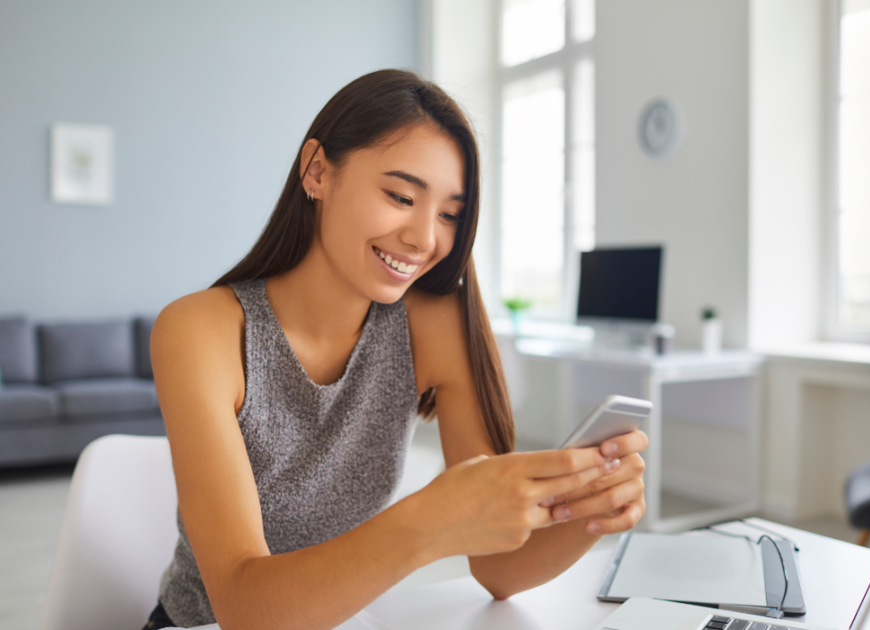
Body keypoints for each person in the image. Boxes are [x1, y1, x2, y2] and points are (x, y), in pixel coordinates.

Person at [143, 69, 648, 630]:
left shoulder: (434, 322)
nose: (425, 238)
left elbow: (501, 569)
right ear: (317, 171)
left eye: (449, 214)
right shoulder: (200, 331)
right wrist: (429, 521)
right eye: (401, 196)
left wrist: (586, 511)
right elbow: (243, 607)